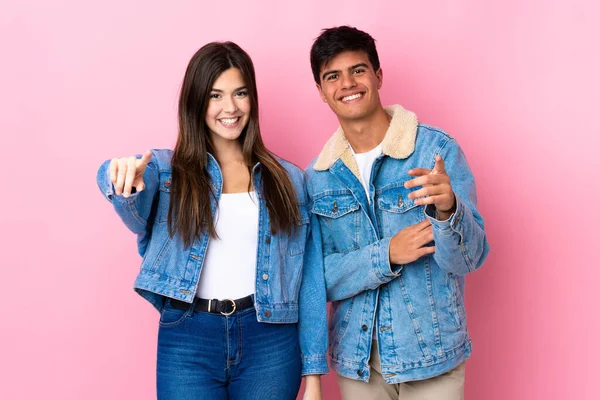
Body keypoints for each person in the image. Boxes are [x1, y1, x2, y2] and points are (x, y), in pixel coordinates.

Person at [96, 41, 327, 400]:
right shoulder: (168, 172)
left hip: (269, 339)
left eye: (240, 93)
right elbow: (125, 194)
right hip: (188, 337)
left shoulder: (289, 180)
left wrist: (313, 376)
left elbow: (309, 280)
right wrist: (121, 178)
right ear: (196, 101)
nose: (230, 108)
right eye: (215, 96)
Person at [305, 26, 490, 400]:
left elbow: (469, 259)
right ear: (321, 91)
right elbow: (316, 279)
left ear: (378, 76)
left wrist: (448, 209)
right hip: (358, 362)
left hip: (432, 355)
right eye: (333, 76)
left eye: (358, 70)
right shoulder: (317, 178)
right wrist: (385, 254)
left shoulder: (434, 151)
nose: (347, 83)